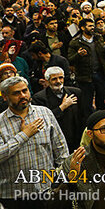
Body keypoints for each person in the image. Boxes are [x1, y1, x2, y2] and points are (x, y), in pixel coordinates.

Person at [0, 76, 69, 208]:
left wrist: (62, 182)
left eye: (24, 91)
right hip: (13, 196)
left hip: (46, 190)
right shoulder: (1, 122)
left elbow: (61, 149)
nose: (22, 96)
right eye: (16, 93)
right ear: (5, 96)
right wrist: (24, 135)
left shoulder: (45, 113)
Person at [31, 66, 83, 151]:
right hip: (54, 142)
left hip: (75, 139)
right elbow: (44, 121)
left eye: (60, 78)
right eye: (54, 79)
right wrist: (62, 107)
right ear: (47, 81)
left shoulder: (75, 92)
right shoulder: (39, 98)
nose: (58, 81)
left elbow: (83, 115)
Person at [67, 18, 105, 118]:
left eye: (93, 25)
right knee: (86, 103)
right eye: (89, 26)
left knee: (102, 99)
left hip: (100, 74)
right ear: (82, 28)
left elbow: (103, 54)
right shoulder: (75, 42)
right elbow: (70, 59)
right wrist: (78, 54)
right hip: (85, 76)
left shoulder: (98, 38)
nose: (92, 28)